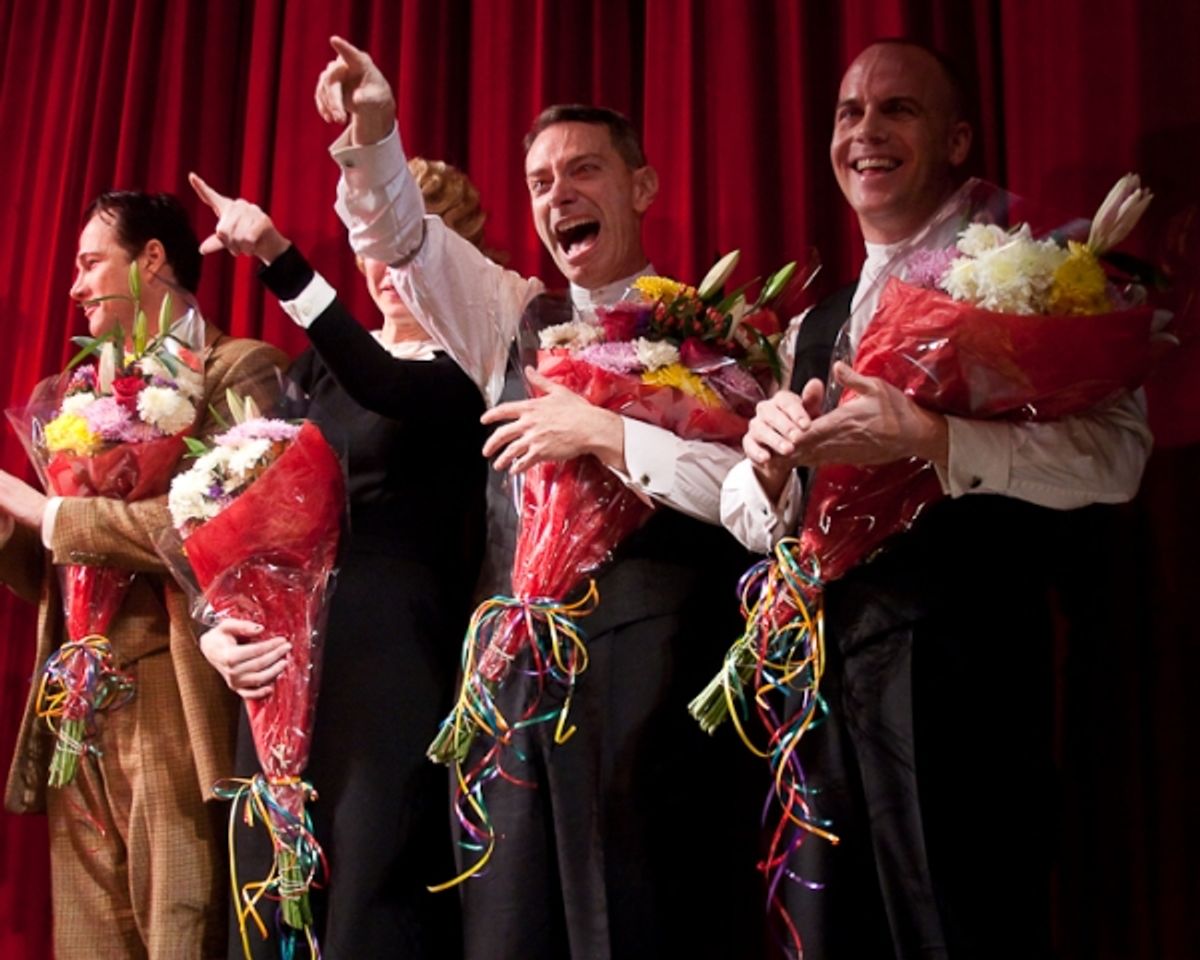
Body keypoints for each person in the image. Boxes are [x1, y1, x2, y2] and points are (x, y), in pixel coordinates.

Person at [310, 36, 766, 960]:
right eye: (542, 182)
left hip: (654, 683)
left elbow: (753, 501)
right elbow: (407, 241)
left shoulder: (720, 335)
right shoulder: (513, 317)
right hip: (509, 688)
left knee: (639, 921)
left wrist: (606, 433)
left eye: (585, 170)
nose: (560, 195)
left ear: (642, 187)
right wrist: (374, 138)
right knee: (508, 930)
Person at [719, 40, 1153, 959]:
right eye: (848, 113)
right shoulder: (816, 321)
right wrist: (760, 470)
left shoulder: (1032, 277)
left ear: (957, 140)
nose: (865, 132)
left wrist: (936, 441)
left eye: (896, 110)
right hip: (823, 685)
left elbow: (1117, 459)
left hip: (964, 674)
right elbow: (762, 518)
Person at [188, 159, 488, 958]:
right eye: (377, 245)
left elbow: (385, 383)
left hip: (393, 662)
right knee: (267, 887)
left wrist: (281, 259)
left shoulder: (470, 371)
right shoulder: (312, 370)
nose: (391, 268)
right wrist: (213, 623)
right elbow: (240, 510)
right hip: (282, 662)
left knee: (371, 891)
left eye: (414, 244)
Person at [0, 191, 288, 959]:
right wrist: (11, 518)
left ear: (152, 260)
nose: (74, 286)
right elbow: (45, 572)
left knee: (179, 926)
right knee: (86, 940)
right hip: (74, 699)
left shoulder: (242, 366)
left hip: (171, 682)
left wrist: (50, 513)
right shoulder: (74, 397)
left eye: (91, 262)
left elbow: (220, 533)